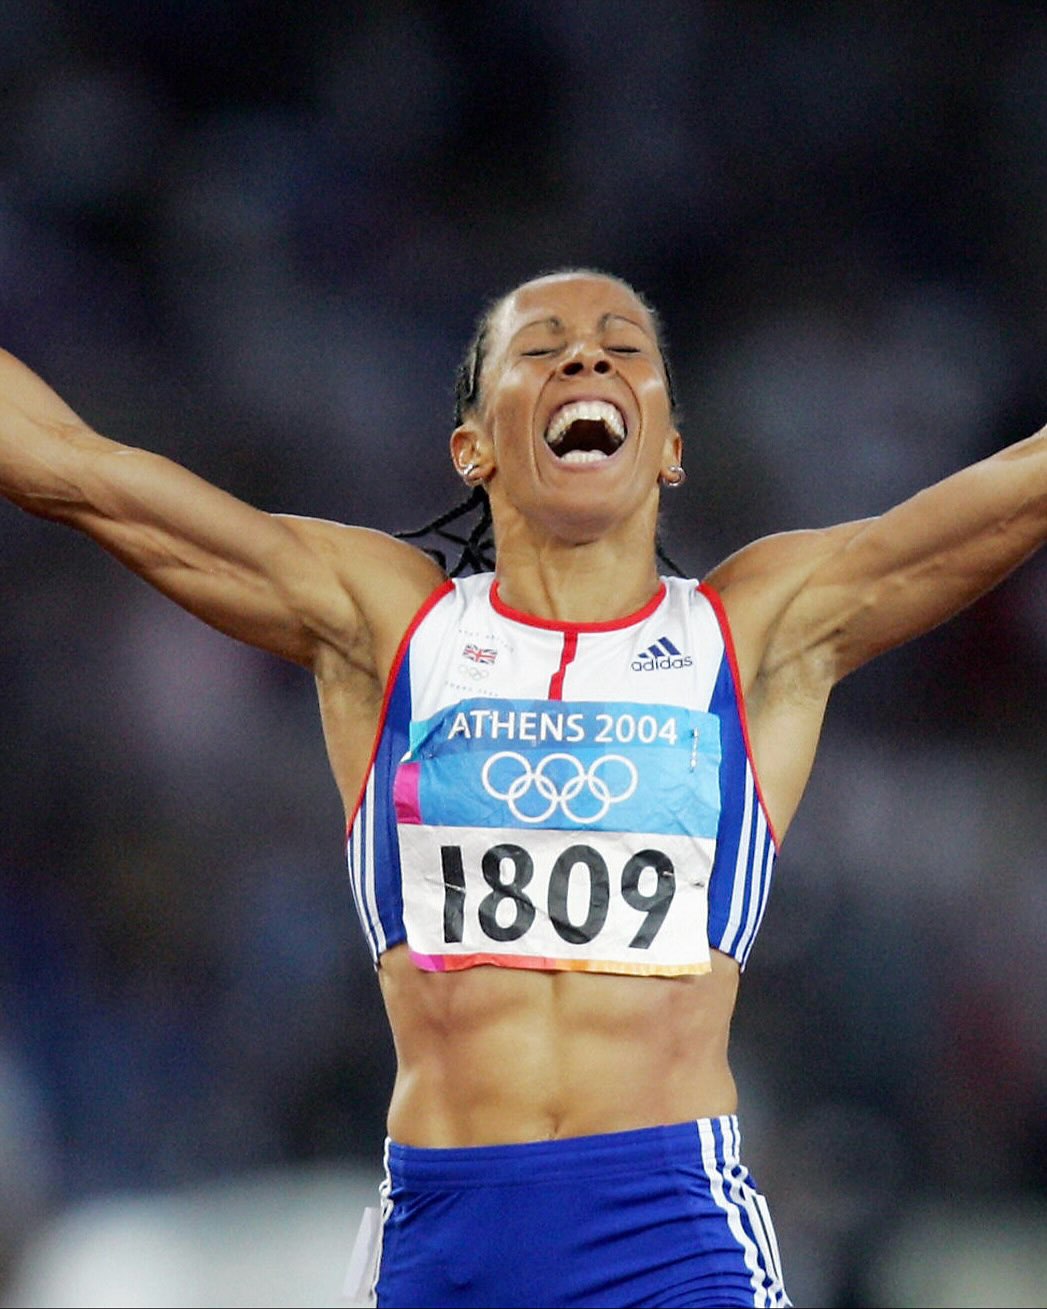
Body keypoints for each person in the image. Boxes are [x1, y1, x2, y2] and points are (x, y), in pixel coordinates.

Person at [1, 268, 1044, 1309]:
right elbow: (75, 469)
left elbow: (1017, 490)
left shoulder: (752, 632)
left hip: (670, 1240)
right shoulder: (388, 625)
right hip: (444, 1242)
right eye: (541, 348)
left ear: (671, 448)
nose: (586, 356)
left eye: (623, 348)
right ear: (473, 447)